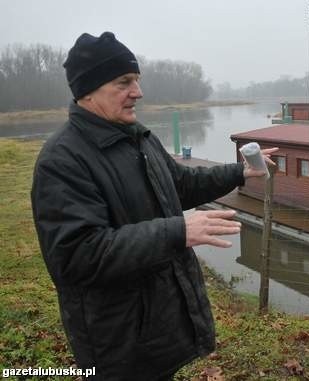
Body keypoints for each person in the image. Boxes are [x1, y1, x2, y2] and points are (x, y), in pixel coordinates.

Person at [31, 31, 276, 380]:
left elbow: (179, 184)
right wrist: (178, 231)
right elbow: (75, 256)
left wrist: (240, 172)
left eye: (137, 80)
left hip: (157, 323)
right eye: (124, 82)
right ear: (88, 90)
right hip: (117, 340)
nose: (138, 92)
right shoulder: (62, 160)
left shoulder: (138, 137)